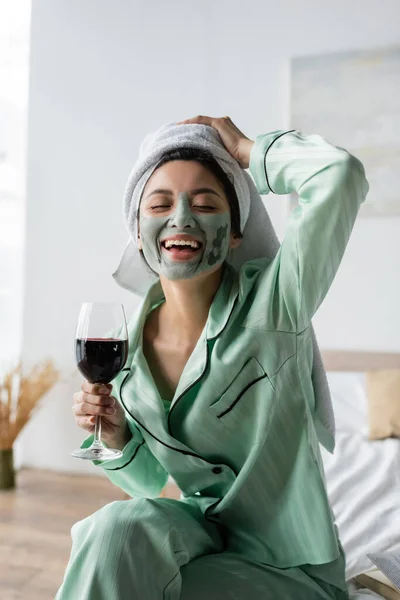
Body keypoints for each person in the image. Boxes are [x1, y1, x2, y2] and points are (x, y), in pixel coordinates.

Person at [56, 116, 369, 599]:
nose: (181, 217)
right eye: (160, 204)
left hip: (285, 565)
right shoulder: (127, 354)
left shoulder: (276, 304)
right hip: (201, 535)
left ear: (236, 232)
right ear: (139, 232)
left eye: (204, 204)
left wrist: (247, 150)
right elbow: (149, 483)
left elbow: (339, 175)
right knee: (113, 532)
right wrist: (117, 438)